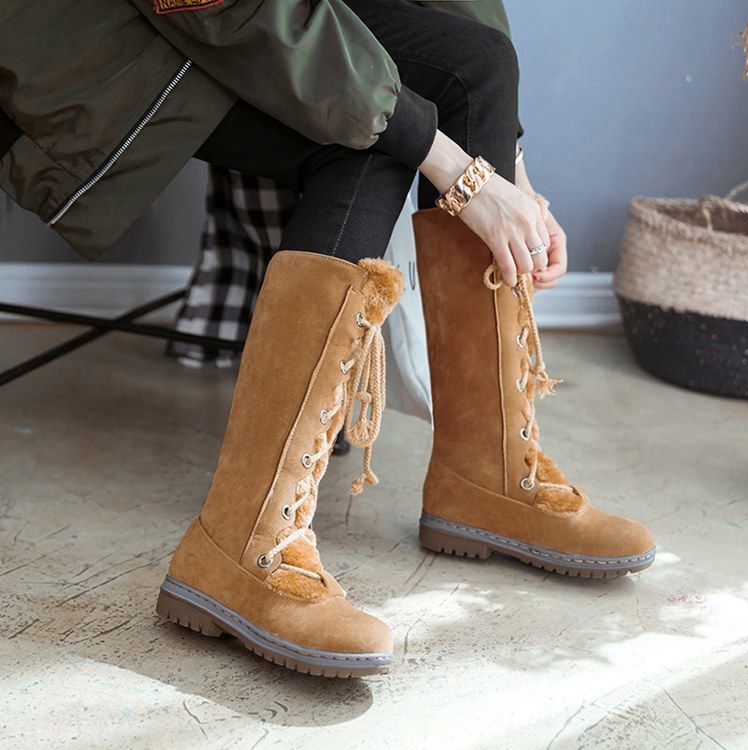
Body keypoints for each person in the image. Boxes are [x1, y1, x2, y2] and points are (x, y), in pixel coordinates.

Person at [0, 0, 655, 678]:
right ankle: (244, 539)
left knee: (476, 64)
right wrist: (462, 175)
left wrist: (510, 171)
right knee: (370, 138)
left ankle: (486, 474)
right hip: (98, 32)